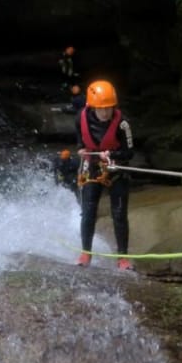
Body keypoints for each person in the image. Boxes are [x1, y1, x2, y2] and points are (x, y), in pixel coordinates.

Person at [75, 80, 134, 270]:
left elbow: (129, 152)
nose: (106, 112)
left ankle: (122, 257)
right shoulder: (80, 118)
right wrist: (81, 150)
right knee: (89, 211)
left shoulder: (123, 124)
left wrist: (112, 155)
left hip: (116, 170)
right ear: (92, 106)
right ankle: (86, 253)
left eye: (109, 108)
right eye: (102, 109)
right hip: (93, 169)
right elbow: (80, 140)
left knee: (119, 214)